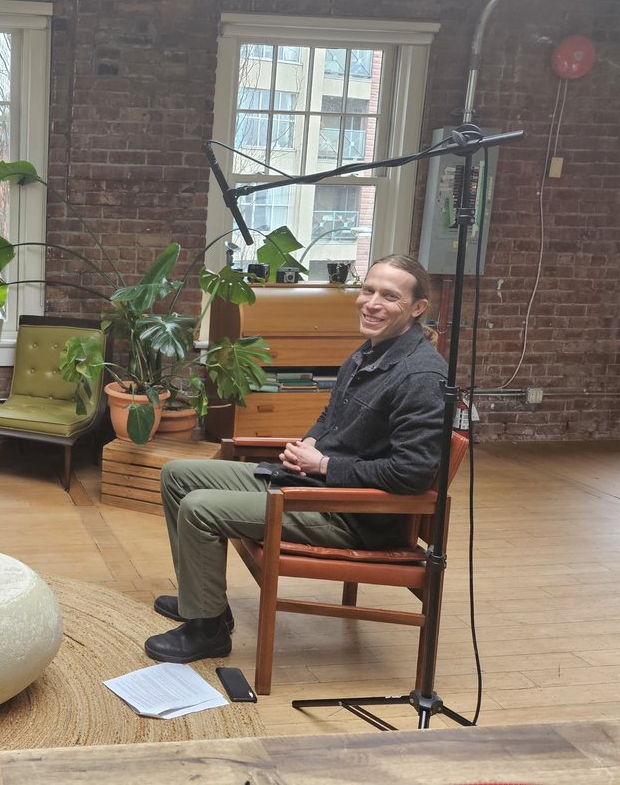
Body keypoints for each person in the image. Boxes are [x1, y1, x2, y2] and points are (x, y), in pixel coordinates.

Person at [144, 254, 446, 663]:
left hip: (351, 515)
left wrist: (323, 465)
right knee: (178, 475)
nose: (372, 302)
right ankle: (203, 602)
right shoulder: (372, 352)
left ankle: (207, 631)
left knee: (200, 508)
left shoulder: (422, 377)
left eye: (389, 296)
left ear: (417, 308)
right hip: (313, 485)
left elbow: (411, 474)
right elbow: (330, 415)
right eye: (368, 290)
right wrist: (308, 445)